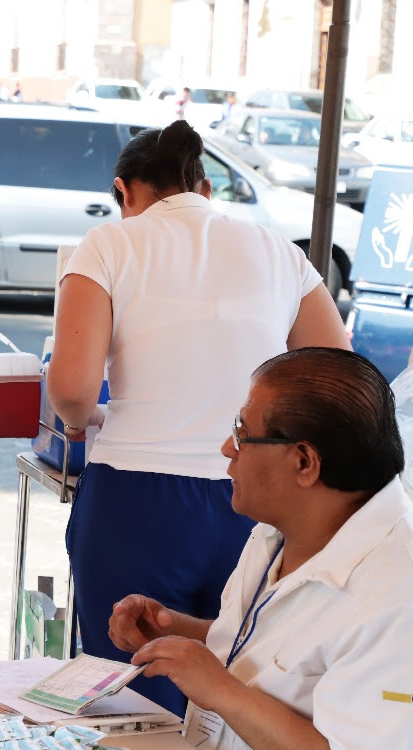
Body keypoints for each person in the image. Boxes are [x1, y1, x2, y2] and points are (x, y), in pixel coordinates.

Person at [47, 119, 350, 715]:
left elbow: (73, 391)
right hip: (261, 500)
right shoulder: (278, 251)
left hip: (136, 500)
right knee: (243, 693)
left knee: (131, 697)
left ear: (124, 191)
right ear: (205, 188)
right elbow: (339, 378)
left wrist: (88, 418)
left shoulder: (110, 243)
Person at [112, 348, 413, 750]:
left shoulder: (396, 589)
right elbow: (267, 645)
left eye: (243, 432)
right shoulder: (282, 529)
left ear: (303, 461)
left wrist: (222, 692)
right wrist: (175, 632)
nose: (228, 449)